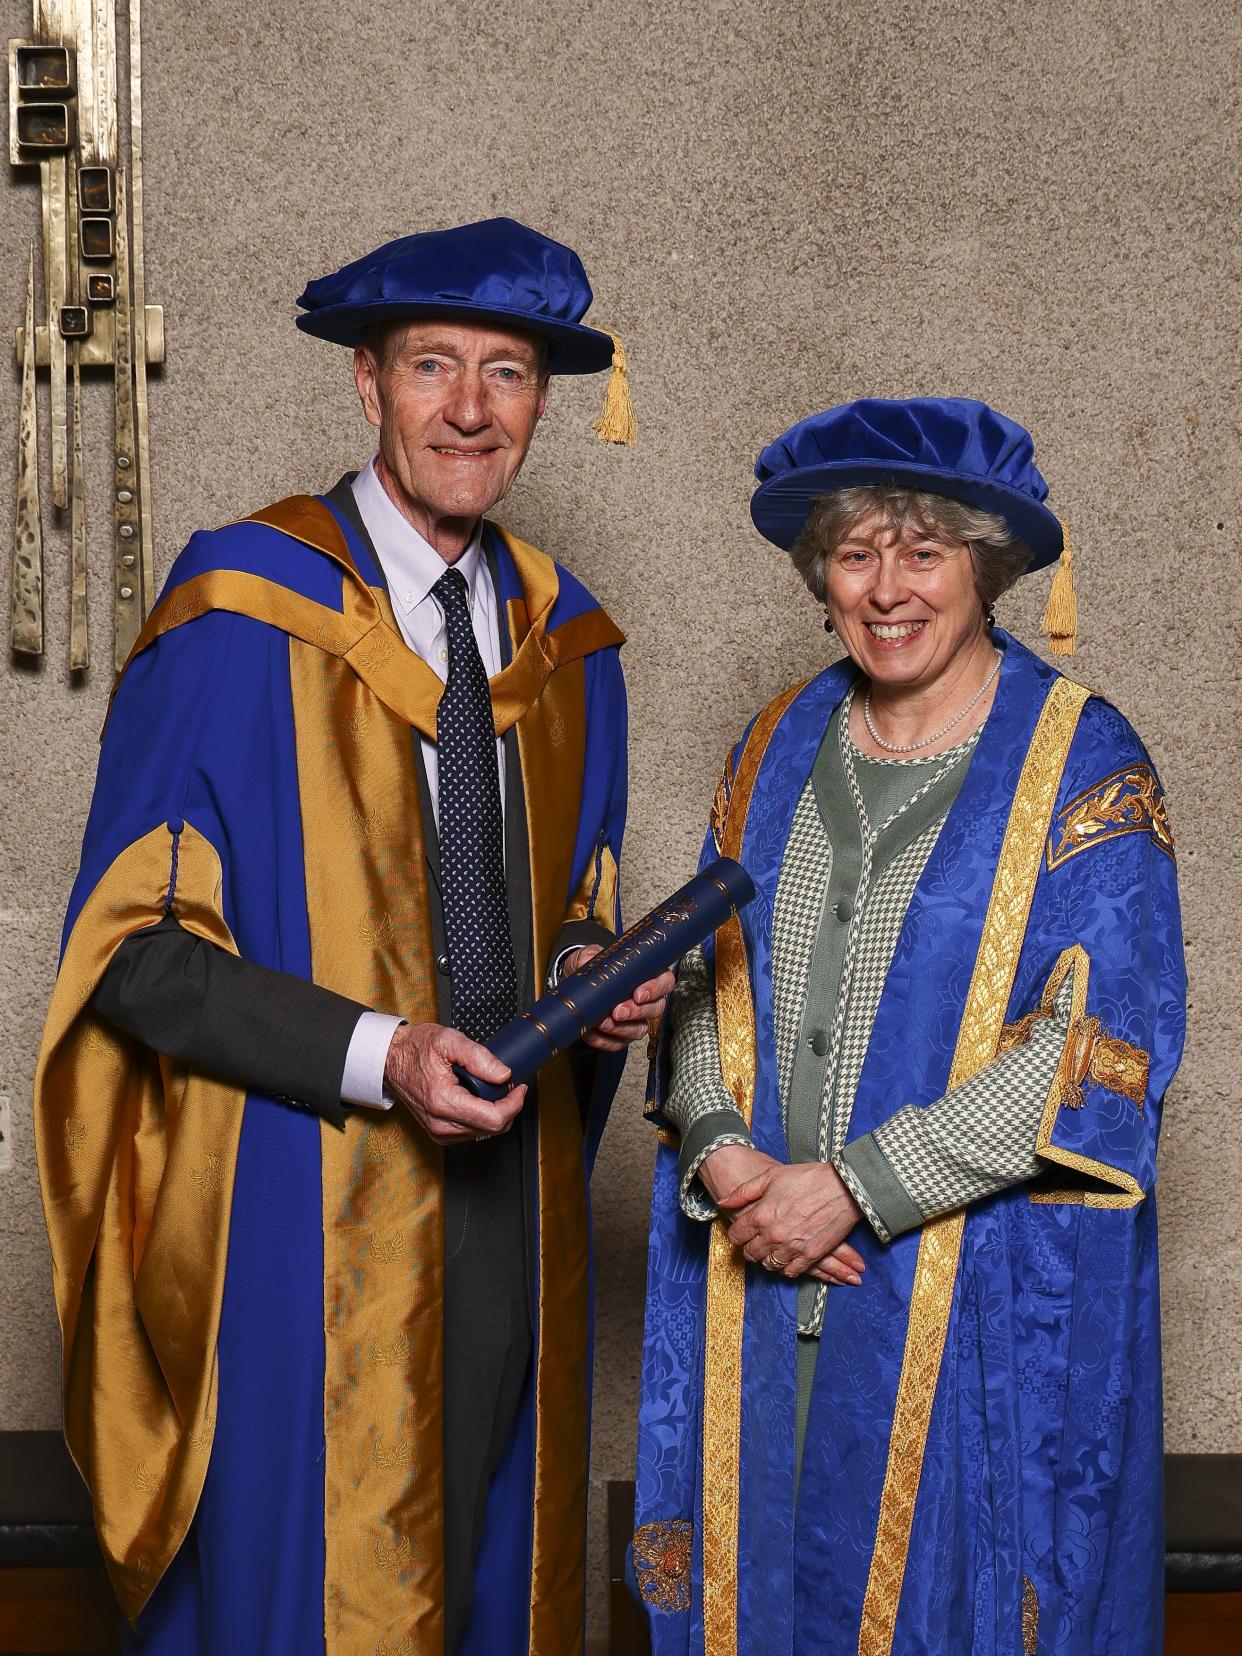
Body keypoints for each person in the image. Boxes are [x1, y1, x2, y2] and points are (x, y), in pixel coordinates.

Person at [34, 216, 671, 1656]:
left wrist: (589, 973)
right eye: (432, 365)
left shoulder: (567, 647)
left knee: (492, 1572)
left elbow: (573, 900)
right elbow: (134, 953)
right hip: (294, 1205)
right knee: (304, 1591)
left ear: (541, 406)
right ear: (366, 383)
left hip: (511, 1204)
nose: (468, 407)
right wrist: (385, 1054)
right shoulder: (236, 610)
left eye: (504, 374)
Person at [633, 397, 1184, 1655]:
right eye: (855, 552)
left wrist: (852, 1189)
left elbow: (1093, 1055)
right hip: (759, 1263)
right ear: (819, 571)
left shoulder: (1082, 764)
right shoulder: (774, 743)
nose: (888, 589)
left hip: (964, 1292)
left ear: (985, 567)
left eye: (923, 552)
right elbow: (701, 972)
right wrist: (725, 1160)